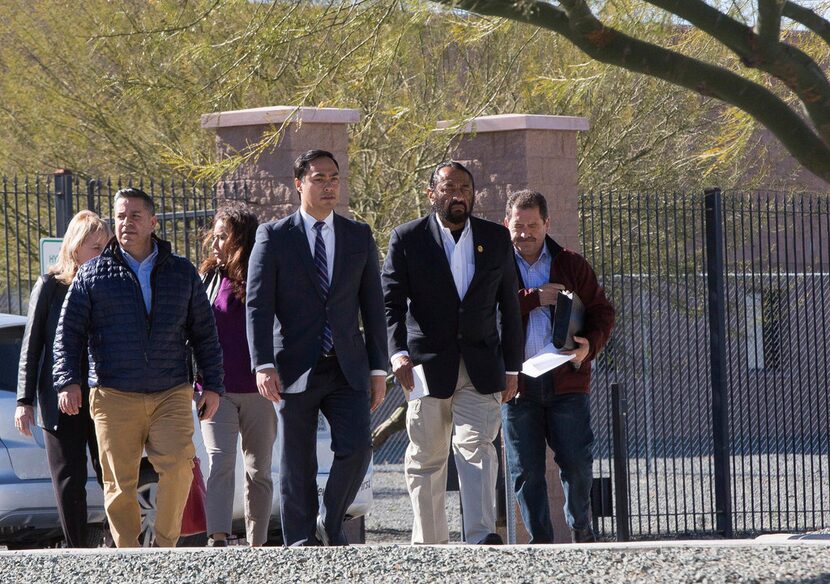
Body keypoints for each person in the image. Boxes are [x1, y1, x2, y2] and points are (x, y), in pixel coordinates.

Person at [53, 187, 224, 548]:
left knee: (179, 467)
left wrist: (212, 385)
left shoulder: (181, 272)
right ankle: (129, 558)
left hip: (171, 391)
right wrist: (67, 380)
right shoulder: (93, 275)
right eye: (119, 216)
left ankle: (163, 549)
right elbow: (68, 333)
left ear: (153, 222)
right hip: (114, 393)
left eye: (134, 216)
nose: (126, 223)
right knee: (119, 483)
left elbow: (205, 333)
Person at [246, 149, 387, 546]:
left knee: (358, 448)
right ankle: (301, 540)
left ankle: (332, 517)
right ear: (298, 184)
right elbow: (258, 305)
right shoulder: (273, 236)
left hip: (347, 365)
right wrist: (263, 363)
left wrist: (378, 369)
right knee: (297, 462)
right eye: (319, 178)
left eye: (334, 178)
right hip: (294, 364)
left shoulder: (358, 235)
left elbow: (373, 307)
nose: (329, 186)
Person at [381, 160, 523, 545]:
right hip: (424, 366)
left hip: (482, 364)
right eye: (448, 188)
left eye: (464, 188)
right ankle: (430, 542)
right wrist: (397, 355)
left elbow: (509, 307)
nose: (457, 195)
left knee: (477, 445)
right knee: (427, 454)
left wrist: (513, 368)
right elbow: (389, 304)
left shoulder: (496, 238)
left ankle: (480, 536)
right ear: (432, 195)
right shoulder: (407, 238)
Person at [501, 190, 615, 543]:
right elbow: (486, 313)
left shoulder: (571, 264)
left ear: (547, 223)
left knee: (578, 464)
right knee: (525, 470)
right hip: (517, 385)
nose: (525, 233)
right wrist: (535, 298)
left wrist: (588, 347)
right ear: (507, 225)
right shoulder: (496, 266)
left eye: (533, 225)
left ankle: (581, 529)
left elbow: (602, 312)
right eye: (518, 226)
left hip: (568, 383)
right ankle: (541, 544)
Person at [15, 210, 111, 548]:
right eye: (95, 246)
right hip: (60, 398)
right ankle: (78, 549)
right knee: (69, 478)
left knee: (110, 472)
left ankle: (118, 545)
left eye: (105, 246)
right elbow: (32, 346)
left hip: (103, 394)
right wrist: (23, 401)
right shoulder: (49, 286)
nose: (102, 253)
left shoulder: (108, 286)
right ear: (75, 246)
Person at [196, 204, 277, 548]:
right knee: (220, 462)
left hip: (259, 391)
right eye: (213, 235)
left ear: (241, 238)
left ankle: (257, 545)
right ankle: (218, 539)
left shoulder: (263, 275)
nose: (215, 243)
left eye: (222, 236)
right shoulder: (209, 278)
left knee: (259, 472)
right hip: (216, 390)